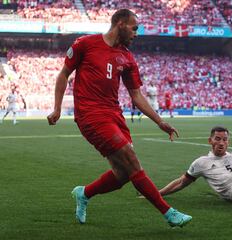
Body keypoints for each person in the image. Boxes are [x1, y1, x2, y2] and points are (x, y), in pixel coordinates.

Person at [47, 9, 192, 227]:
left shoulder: (127, 58)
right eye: (134, 28)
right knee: (131, 161)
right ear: (121, 24)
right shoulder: (85, 44)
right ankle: (168, 213)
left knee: (123, 174)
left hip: (114, 115)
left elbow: (136, 95)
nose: (136, 33)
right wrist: (57, 108)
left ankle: (84, 193)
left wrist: (160, 121)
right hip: (90, 115)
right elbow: (63, 74)